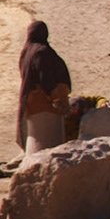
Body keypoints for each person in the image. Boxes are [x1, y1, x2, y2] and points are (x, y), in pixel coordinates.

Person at [16, 21, 72, 153]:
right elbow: (45, 77)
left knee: (35, 135)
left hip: (31, 101)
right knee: (47, 138)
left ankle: (31, 163)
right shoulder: (42, 52)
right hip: (44, 103)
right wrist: (54, 98)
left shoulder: (26, 51)